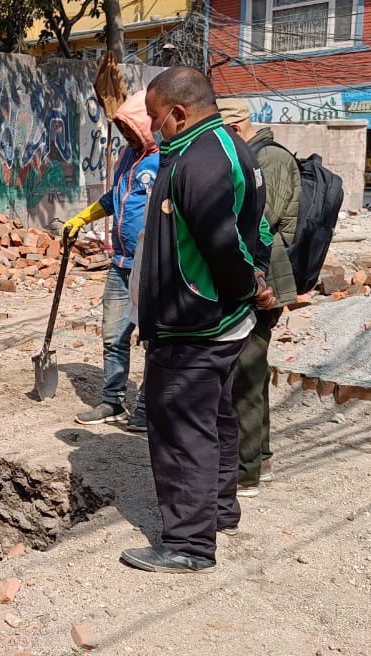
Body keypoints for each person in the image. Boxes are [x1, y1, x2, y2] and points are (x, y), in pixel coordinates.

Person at [122, 68, 275, 574]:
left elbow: (223, 243)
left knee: (182, 428)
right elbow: (257, 230)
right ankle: (219, 510)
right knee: (217, 418)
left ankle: (188, 544)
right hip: (219, 319)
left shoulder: (200, 159)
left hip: (195, 322)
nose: (155, 129)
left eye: (157, 119)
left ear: (179, 112)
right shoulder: (227, 147)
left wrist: (244, 287)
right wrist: (249, 288)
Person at [62, 90, 159, 432]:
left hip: (151, 267)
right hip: (120, 263)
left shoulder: (165, 159)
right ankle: (113, 401)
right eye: (123, 130)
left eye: (131, 129)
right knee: (113, 335)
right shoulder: (127, 158)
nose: (126, 136)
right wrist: (82, 218)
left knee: (152, 340)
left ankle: (147, 407)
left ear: (146, 125)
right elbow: (113, 197)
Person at [218, 98, 299, 499]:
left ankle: (246, 471)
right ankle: (259, 454)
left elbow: (259, 223)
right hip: (259, 274)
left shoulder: (269, 160)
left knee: (246, 373)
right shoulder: (254, 156)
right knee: (253, 371)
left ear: (237, 125)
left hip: (265, 278)